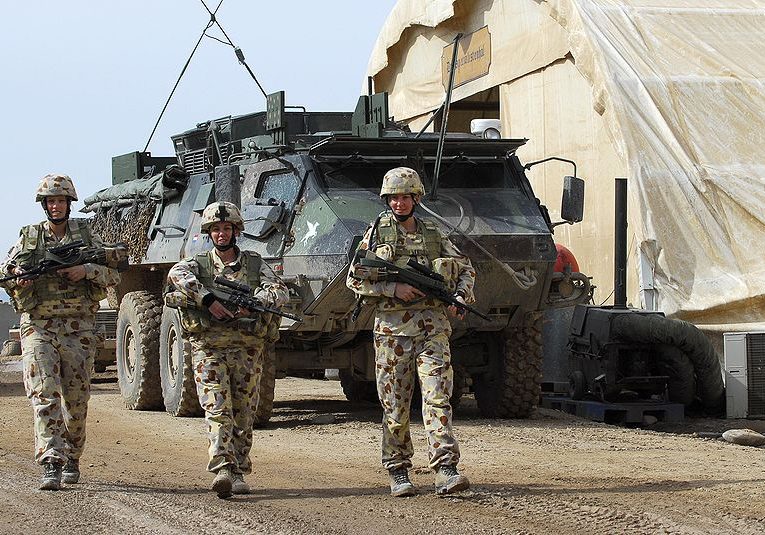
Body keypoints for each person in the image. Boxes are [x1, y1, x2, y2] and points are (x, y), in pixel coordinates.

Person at [346, 167, 476, 497]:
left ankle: (446, 468)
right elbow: (354, 278)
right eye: (393, 198)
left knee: (437, 398)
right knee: (395, 406)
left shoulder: (434, 233)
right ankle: (398, 469)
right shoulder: (376, 233)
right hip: (393, 335)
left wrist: (460, 295)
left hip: (433, 330)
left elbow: (465, 269)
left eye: (405, 197)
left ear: (416, 198)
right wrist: (394, 287)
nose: (399, 203)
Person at [0, 173, 121, 490]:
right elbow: (6, 268)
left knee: (76, 402)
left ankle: (72, 458)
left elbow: (115, 274)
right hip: (39, 327)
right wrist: (18, 274)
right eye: (51, 201)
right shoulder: (29, 238)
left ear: (69, 203)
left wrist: (85, 271)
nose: (56, 206)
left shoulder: (85, 235)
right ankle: (51, 462)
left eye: (61, 200)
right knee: (44, 394)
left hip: (78, 328)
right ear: (44, 205)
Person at [167, 201, 288, 499]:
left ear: (236, 231)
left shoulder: (255, 264)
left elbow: (280, 291)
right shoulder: (197, 264)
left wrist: (257, 298)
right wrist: (207, 299)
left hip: (247, 350)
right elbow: (176, 276)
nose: (222, 234)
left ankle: (239, 470)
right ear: (209, 233)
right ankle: (222, 467)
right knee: (217, 408)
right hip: (208, 348)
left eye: (227, 228)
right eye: (216, 229)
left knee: (244, 411)